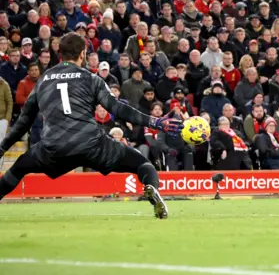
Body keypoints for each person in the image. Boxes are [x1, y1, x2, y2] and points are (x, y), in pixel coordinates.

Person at [0, 33, 183, 218]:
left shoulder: (43, 80)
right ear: (82, 53)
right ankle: (152, 191)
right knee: (143, 164)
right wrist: (155, 122)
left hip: (54, 146)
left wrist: (2, 147)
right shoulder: (91, 78)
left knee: (19, 167)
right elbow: (118, 108)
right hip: (91, 143)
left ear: (60, 54)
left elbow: (23, 122)